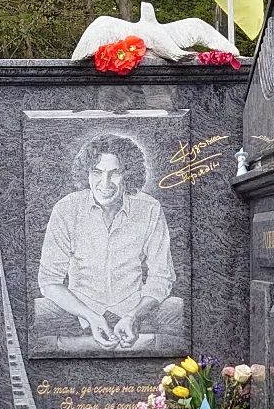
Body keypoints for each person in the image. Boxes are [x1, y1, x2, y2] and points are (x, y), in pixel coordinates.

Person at [34, 134, 183, 352]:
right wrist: (90, 316)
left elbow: (161, 277)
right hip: (77, 307)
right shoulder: (66, 209)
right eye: (97, 172)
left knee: (178, 309)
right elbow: (49, 281)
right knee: (34, 314)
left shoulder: (150, 208)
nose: (104, 183)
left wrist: (133, 316)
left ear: (128, 174)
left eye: (114, 173)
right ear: (87, 173)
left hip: (133, 305)